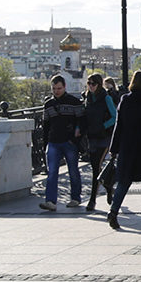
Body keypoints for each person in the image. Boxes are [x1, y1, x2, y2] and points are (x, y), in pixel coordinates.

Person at [106, 70, 141, 230]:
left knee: (124, 181)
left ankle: (113, 211)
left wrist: (114, 148)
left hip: (127, 147)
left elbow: (119, 125)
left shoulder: (125, 99)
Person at [38, 75, 85, 212]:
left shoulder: (74, 102)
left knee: (73, 171)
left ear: (64, 87)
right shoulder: (48, 105)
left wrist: (75, 140)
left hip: (69, 142)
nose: (56, 91)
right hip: (53, 142)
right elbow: (46, 125)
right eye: (54, 89)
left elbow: (81, 121)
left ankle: (76, 197)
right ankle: (50, 201)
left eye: (59, 88)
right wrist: (45, 144)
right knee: (52, 172)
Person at [81, 73, 117, 212]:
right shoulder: (87, 98)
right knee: (96, 167)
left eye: (93, 84)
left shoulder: (106, 98)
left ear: (99, 84)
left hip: (103, 137)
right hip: (92, 136)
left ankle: (92, 200)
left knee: (96, 167)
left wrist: (103, 126)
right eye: (89, 83)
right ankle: (108, 188)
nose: (90, 86)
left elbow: (115, 116)